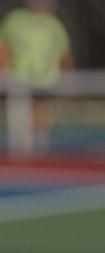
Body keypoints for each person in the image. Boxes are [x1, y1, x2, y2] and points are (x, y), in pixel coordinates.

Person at [0, 0, 72, 157]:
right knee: (19, 115)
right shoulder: (14, 20)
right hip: (20, 78)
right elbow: (3, 46)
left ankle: (40, 146)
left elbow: (63, 53)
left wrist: (66, 78)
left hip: (45, 79)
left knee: (42, 113)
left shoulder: (54, 25)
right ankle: (19, 148)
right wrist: (3, 69)